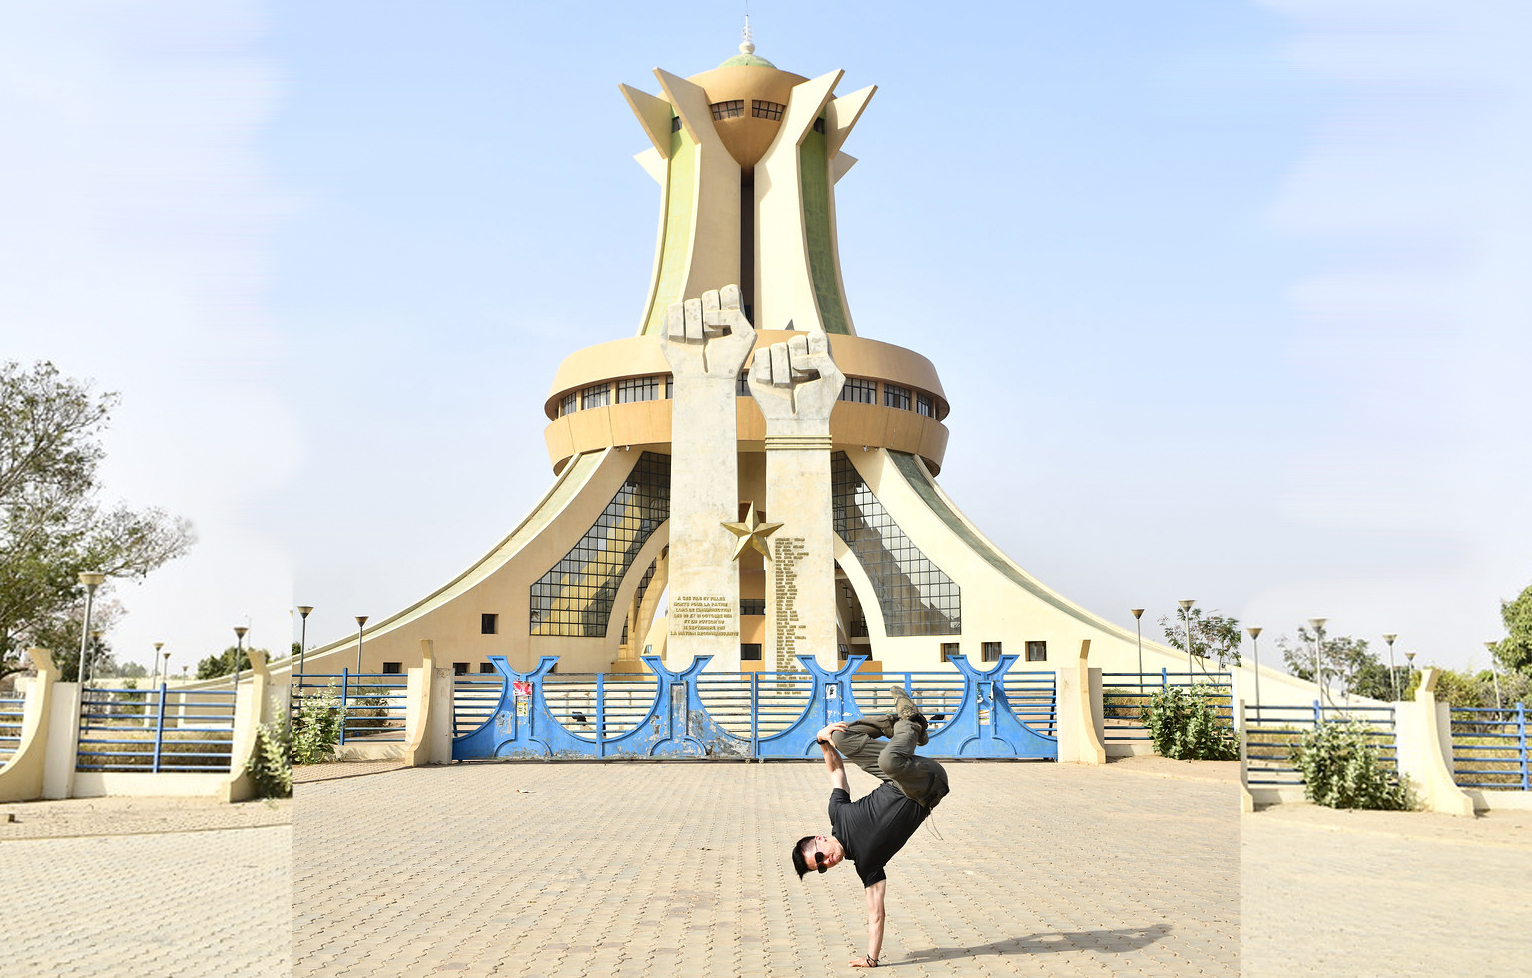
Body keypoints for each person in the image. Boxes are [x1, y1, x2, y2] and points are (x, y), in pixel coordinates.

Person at [790, 687, 950, 968]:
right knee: (889, 761)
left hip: (901, 776)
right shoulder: (868, 865)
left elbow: (836, 771)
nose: (828, 861)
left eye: (820, 857)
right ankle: (911, 723)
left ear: (820, 839)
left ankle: (898, 724)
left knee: (840, 736)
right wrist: (871, 959)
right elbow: (876, 914)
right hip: (924, 788)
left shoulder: (837, 814)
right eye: (823, 867)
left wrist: (822, 740)